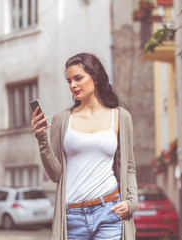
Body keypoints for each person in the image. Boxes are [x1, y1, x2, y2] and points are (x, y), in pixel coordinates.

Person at [31, 52, 138, 240]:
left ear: (95, 78)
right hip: (72, 217)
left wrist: (132, 202)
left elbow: (129, 167)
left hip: (109, 210)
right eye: (69, 81)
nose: (73, 85)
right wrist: (41, 138)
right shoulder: (61, 120)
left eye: (78, 78)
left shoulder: (120, 116)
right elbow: (55, 175)